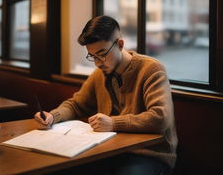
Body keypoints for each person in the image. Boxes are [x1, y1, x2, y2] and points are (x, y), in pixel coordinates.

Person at [35, 15, 178, 175]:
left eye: (102, 54)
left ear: (120, 44)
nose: (97, 62)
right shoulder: (100, 72)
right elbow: (76, 104)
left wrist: (113, 123)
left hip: (150, 154)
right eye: (92, 56)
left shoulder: (151, 68)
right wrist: (53, 116)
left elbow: (160, 117)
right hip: (110, 150)